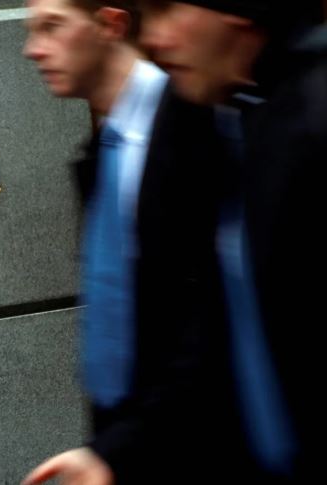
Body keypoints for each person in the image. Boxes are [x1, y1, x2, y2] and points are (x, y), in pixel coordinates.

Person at [21, 1, 224, 483]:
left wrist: (117, 450)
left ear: (110, 25)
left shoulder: (199, 124)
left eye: (52, 26)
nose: (33, 49)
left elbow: (211, 323)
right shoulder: (100, 153)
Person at [139, 1, 324, 482]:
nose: (153, 38)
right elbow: (212, 320)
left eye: (166, 9)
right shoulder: (216, 115)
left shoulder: (312, 115)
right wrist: (114, 453)